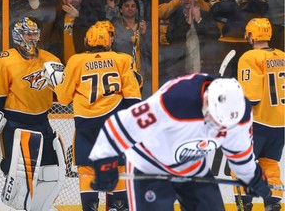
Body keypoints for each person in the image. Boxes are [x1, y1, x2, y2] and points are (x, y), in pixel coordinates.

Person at [87, 73, 272, 211]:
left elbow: (239, 153)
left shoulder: (238, 115)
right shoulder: (176, 100)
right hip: (149, 165)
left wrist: (251, 177)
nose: (219, 130)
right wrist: (105, 160)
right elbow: (121, 124)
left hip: (193, 167)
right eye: (216, 121)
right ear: (207, 101)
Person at [51, 24, 141, 211]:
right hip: (113, 126)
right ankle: (119, 207)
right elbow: (133, 98)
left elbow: (63, 98)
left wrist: (55, 82)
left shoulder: (76, 61)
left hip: (86, 125)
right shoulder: (121, 59)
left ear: (86, 41)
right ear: (109, 42)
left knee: (87, 171)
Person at [0, 17, 66, 211]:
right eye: (29, 33)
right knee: (16, 172)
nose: (33, 37)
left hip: (42, 122)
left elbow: (64, 97)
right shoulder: (5, 60)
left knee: (51, 170)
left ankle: (38, 206)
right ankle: (13, 205)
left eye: (36, 33)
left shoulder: (52, 60)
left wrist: (61, 82)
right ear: (18, 35)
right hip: (15, 122)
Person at [234, 17, 285, 211]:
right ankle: (272, 204)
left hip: (258, 122)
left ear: (251, 35)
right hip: (281, 123)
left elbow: (252, 97)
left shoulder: (250, 57)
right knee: (270, 164)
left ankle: (244, 204)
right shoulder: (282, 55)